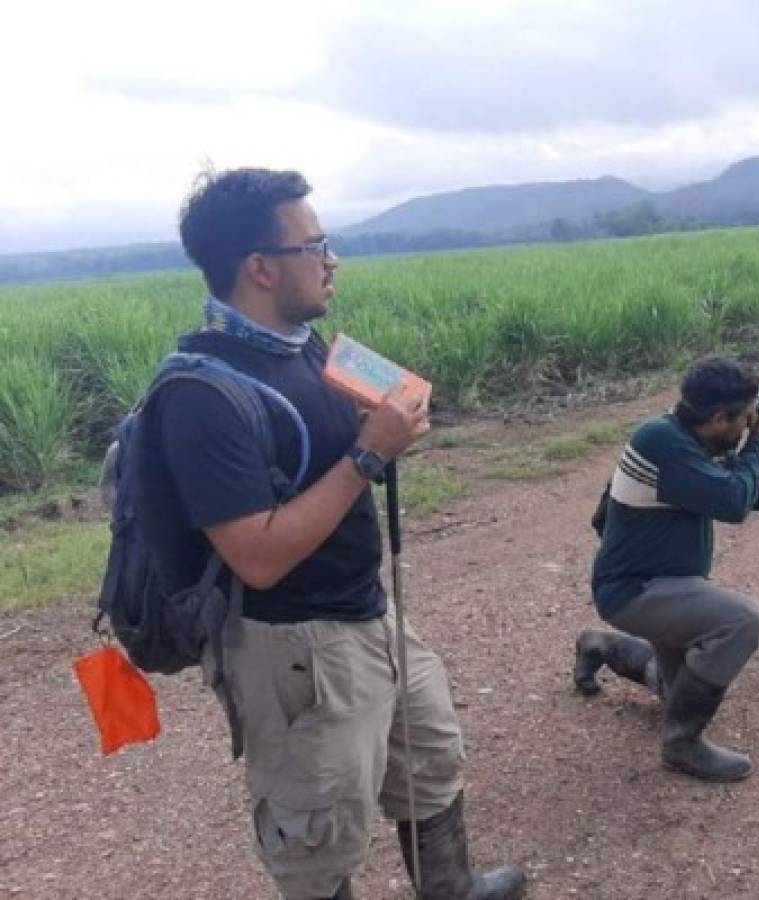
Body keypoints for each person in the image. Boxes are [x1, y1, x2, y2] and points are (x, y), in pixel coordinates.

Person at [154, 167, 526, 900]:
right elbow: (256, 557)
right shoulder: (202, 394)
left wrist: (374, 431)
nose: (332, 259)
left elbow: (323, 457)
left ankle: (449, 889)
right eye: (315, 244)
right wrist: (369, 454)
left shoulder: (300, 344)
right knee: (316, 835)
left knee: (429, 760)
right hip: (294, 648)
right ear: (260, 267)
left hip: (367, 613)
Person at [574, 356, 759, 782]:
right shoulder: (662, 442)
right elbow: (732, 504)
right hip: (635, 590)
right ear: (717, 417)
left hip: (666, 585)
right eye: (744, 418)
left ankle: (602, 647)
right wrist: (758, 443)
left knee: (678, 692)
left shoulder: (692, 438)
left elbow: (753, 497)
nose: (750, 423)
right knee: (740, 621)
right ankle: (681, 745)